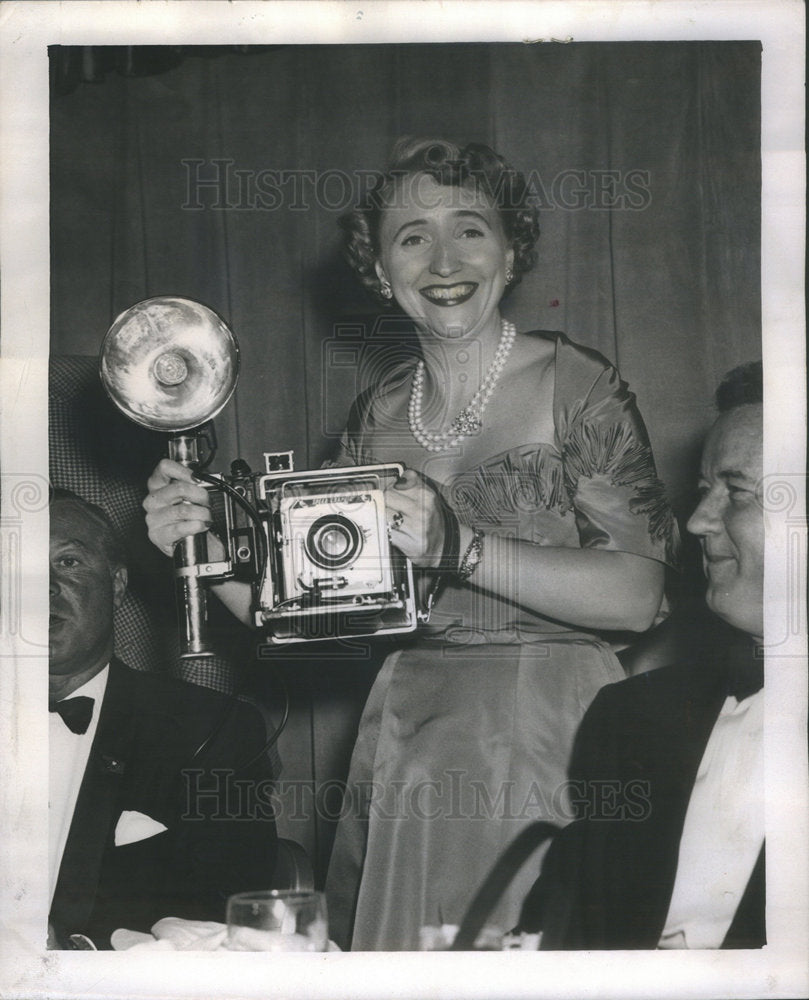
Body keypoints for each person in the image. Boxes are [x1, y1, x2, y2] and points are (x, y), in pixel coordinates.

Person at [143, 138, 679, 949]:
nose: (443, 259)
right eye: (411, 237)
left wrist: (459, 548)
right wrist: (206, 552)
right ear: (380, 270)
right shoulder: (377, 414)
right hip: (407, 738)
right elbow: (305, 614)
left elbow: (638, 599)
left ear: (511, 248)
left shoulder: (577, 384)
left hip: (552, 728)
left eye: (469, 228)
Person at [518, 361, 765, 949]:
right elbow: (558, 934)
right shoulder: (630, 721)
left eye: (737, 492)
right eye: (705, 492)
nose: (699, 520)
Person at [48, 490, 278, 950]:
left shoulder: (213, 731)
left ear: (117, 583)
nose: (40, 587)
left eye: (68, 563)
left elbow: (231, 912)